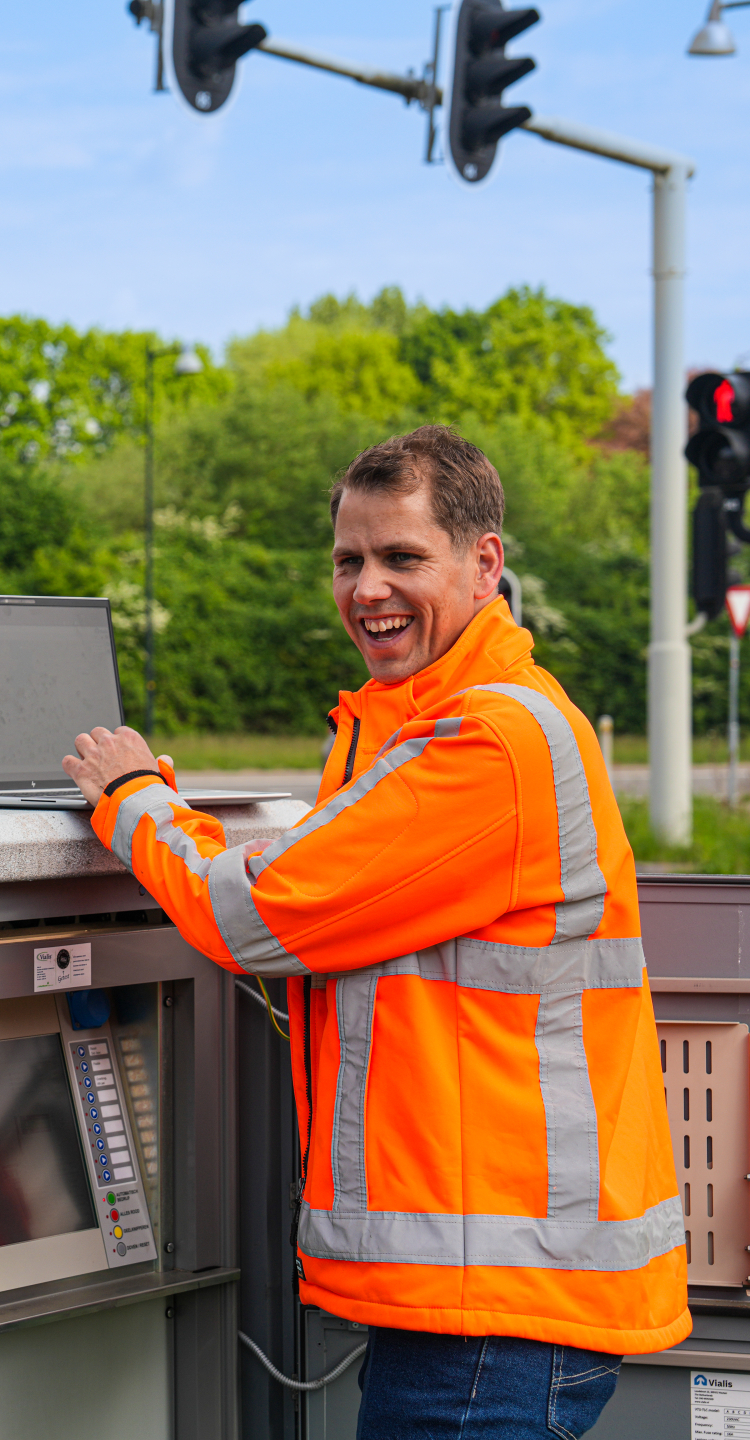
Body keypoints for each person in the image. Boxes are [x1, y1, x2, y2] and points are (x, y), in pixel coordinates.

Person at [63, 425, 689, 1439]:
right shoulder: (422, 726)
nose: (367, 590)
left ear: (485, 563)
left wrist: (134, 799)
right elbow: (320, 876)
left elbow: (252, 911)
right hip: (480, 1302)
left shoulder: (491, 742)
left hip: (495, 1320)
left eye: (403, 557)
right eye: (350, 561)